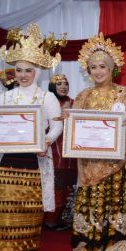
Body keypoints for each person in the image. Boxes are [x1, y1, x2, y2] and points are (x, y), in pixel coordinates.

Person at [0, 24, 65, 251]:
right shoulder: (5, 97)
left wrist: (47, 141)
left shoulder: (47, 97)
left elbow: (57, 126)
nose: (23, 75)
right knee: (7, 207)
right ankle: (7, 250)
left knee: (31, 208)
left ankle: (29, 247)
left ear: (37, 72)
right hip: (8, 161)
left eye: (28, 70)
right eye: (19, 70)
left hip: (34, 160)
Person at [69, 33, 126, 251]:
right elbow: (76, 130)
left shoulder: (125, 94)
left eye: (102, 66)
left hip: (117, 162)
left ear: (112, 68)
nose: (98, 71)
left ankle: (115, 248)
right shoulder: (83, 97)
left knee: (115, 202)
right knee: (91, 202)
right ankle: (89, 248)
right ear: (87, 70)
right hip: (90, 163)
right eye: (93, 67)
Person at [45, 74, 75, 231]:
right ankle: (50, 219)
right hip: (52, 151)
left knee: (68, 186)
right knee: (54, 186)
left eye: (66, 83)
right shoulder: (47, 102)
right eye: (59, 84)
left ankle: (65, 218)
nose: (64, 86)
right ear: (52, 87)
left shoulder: (74, 103)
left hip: (71, 153)